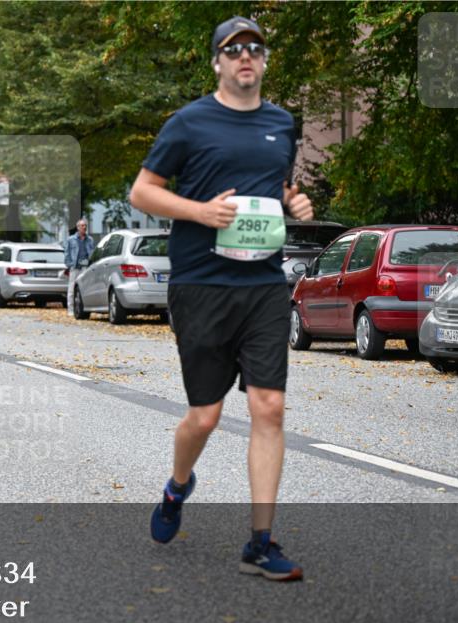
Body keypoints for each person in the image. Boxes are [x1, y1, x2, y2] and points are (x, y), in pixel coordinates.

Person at [129, 16, 314, 582]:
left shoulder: (282, 124)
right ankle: (177, 487)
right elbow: (142, 191)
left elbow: (272, 185)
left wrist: (293, 202)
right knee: (205, 417)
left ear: (265, 61)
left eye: (255, 49)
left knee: (269, 408)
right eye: (233, 50)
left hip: (261, 283)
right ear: (217, 62)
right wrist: (201, 212)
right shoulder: (188, 123)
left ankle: (261, 542)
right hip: (202, 284)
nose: (245, 57)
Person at [63, 218, 94, 315]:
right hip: (75, 267)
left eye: (85, 225)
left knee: (85, 288)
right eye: (82, 225)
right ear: (78, 227)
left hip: (85, 268)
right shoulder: (71, 239)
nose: (84, 227)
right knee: (72, 289)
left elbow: (92, 253)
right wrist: (70, 265)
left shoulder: (90, 239)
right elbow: (67, 254)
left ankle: (85, 309)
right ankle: (71, 309)